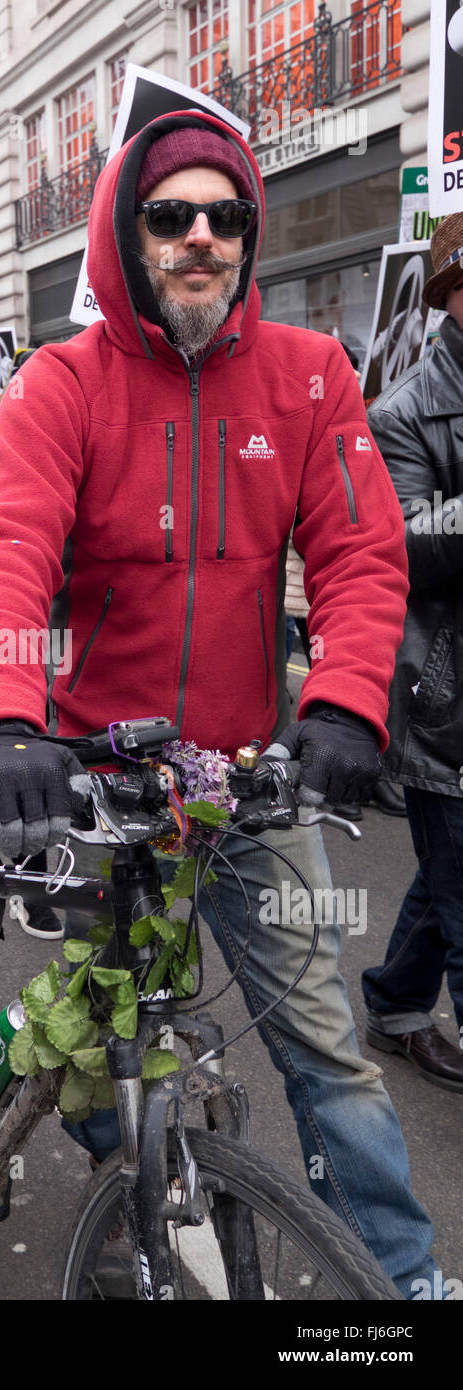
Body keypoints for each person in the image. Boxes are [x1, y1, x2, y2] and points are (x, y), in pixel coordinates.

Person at [0, 112, 436, 1296]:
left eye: (225, 217)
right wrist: (0, 719)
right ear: (129, 233)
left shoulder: (310, 375)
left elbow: (363, 558)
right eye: (172, 217)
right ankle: (139, 1188)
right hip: (89, 780)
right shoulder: (60, 385)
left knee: (327, 1052)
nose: (201, 237)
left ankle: (403, 1285)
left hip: (244, 781)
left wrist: (344, 706)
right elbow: (7, 548)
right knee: (93, 1032)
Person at [361, 213, 463, 1092]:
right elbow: (411, 542)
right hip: (445, 693)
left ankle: (395, 1001)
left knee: (449, 875)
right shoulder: (403, 413)